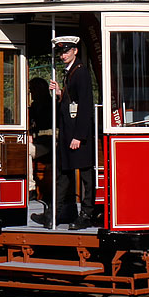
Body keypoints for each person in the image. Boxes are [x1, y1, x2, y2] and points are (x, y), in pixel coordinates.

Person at [39, 36, 98, 229]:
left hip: (77, 135)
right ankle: (53, 214)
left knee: (86, 175)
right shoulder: (70, 72)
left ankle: (86, 214)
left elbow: (85, 106)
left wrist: (79, 136)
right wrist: (59, 94)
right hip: (68, 133)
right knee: (63, 174)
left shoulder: (80, 73)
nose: (63, 55)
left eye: (66, 51)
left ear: (75, 51)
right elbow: (71, 101)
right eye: (61, 52)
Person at [28, 77, 53, 214]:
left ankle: (31, 189)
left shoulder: (50, 105)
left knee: (24, 151)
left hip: (49, 145)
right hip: (39, 143)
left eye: (32, 90)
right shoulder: (35, 105)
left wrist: (33, 135)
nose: (31, 93)